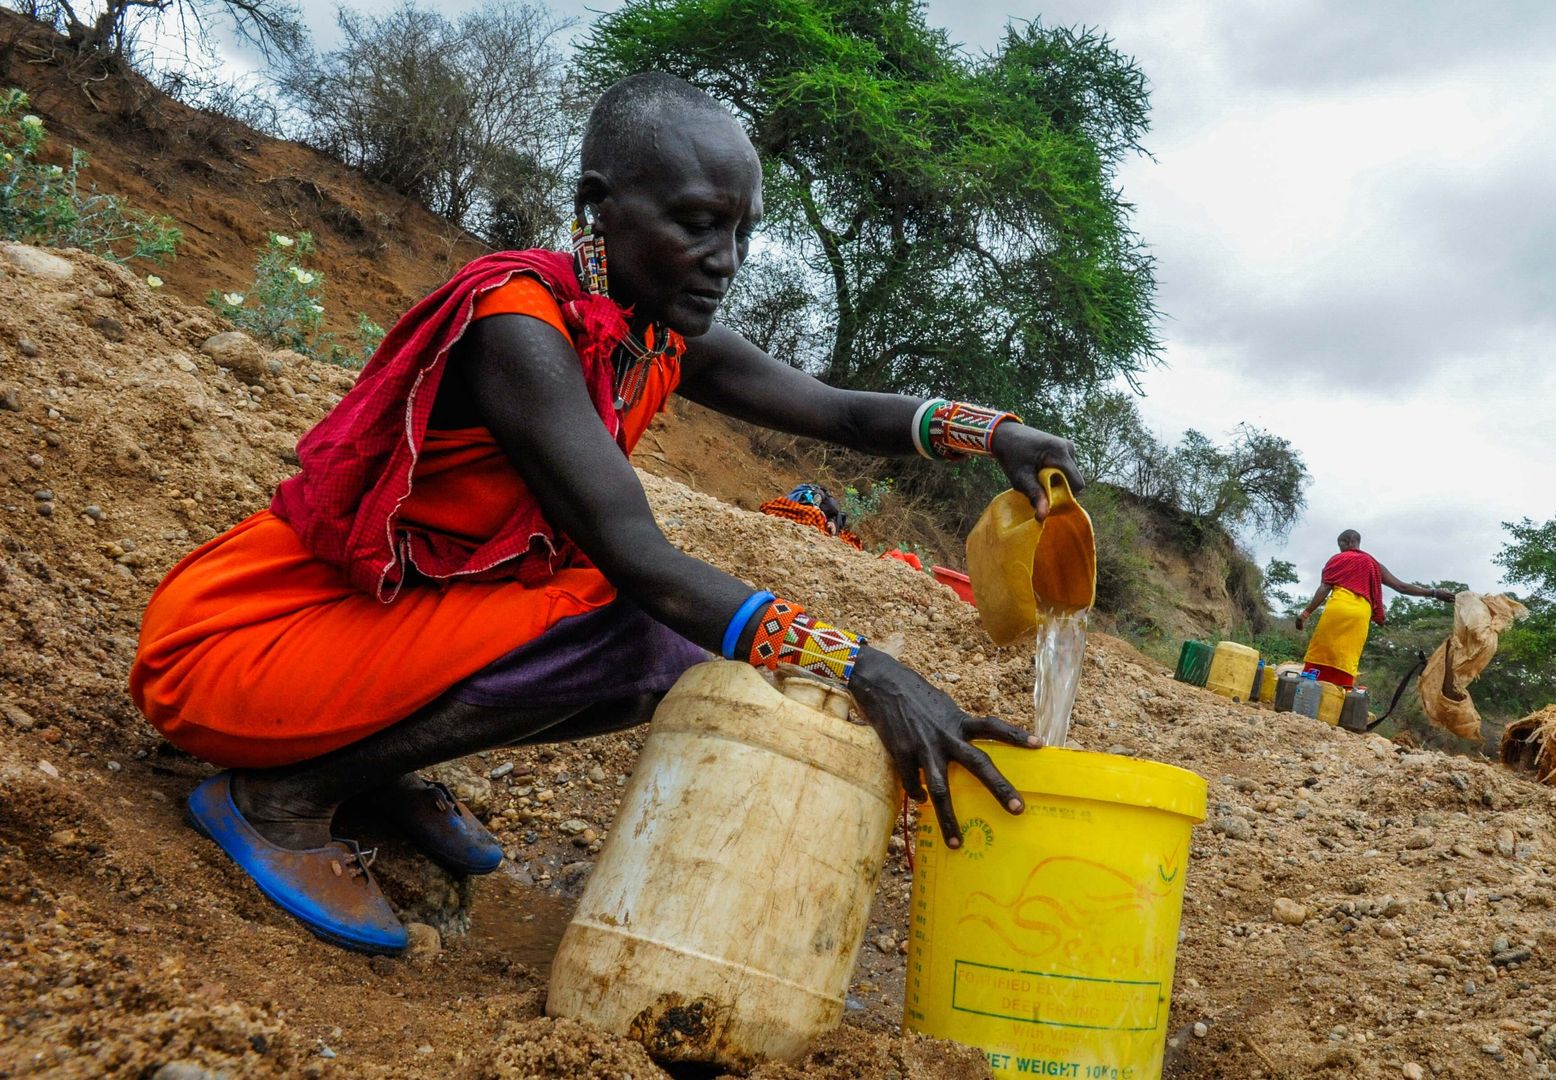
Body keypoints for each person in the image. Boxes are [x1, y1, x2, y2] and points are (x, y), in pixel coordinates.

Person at [128, 73, 1083, 956]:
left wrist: (991, 430)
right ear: (599, 203)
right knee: (637, 636)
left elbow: (833, 409)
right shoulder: (518, 326)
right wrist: (867, 668)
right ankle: (280, 795)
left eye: (742, 231)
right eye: (699, 224)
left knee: (651, 649)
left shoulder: (652, 329)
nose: (727, 260)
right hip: (240, 644)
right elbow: (637, 557)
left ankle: (365, 770)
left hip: (368, 631)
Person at [1293, 529, 1455, 688]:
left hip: (1338, 608)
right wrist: (1434, 593)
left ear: (1347, 542)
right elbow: (1401, 587)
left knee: (1322, 649)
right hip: (1361, 614)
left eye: (1340, 544)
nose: (1340, 549)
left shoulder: (1337, 559)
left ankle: (1310, 686)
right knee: (1348, 655)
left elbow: (1324, 588)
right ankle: (1341, 691)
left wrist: (1305, 613)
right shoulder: (1374, 565)